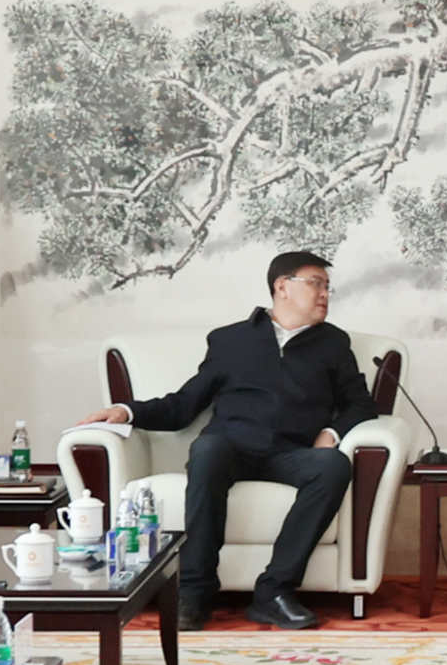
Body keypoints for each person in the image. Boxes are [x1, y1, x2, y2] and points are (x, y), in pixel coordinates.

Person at [97, 249, 383, 630]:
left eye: (328, 286)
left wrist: (332, 433)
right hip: (231, 447)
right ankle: (194, 592)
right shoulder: (231, 340)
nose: (324, 294)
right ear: (282, 287)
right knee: (207, 449)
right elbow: (183, 405)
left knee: (333, 465)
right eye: (316, 283)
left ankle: (274, 592)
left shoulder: (333, 343)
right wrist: (127, 411)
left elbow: (361, 404)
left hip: (292, 453)